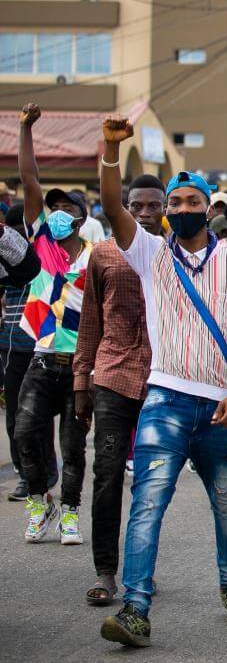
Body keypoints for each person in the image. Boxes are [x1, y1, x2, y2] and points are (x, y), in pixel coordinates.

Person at [96, 115, 227, 648]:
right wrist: (109, 149)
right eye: (176, 205)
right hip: (165, 399)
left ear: (208, 210)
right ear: (165, 214)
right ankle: (136, 608)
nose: (185, 211)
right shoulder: (149, 255)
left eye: (194, 204)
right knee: (148, 499)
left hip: (220, 403)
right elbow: (111, 206)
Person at [73, 174, 164, 606]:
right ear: (124, 207)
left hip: (164, 379)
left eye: (153, 206)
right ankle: (105, 571)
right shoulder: (104, 256)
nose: (144, 214)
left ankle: (140, 570)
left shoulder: (174, 257)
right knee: (107, 475)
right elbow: (90, 320)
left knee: (150, 482)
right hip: (112, 375)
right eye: (136, 206)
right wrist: (80, 380)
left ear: (165, 209)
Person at [12, 102, 95, 545]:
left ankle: (70, 512)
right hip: (41, 360)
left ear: (81, 218)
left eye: (68, 207)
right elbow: (29, 179)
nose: (59, 212)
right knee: (25, 432)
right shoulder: (41, 243)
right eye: (54, 206)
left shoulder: (96, 258)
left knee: (73, 444)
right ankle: (39, 501)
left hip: (79, 366)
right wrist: (26, 129)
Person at [2, 201, 54, 503]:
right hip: (10, 346)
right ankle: (24, 474)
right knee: (14, 417)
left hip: (41, 346)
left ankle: (45, 473)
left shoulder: (46, 254)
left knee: (38, 415)